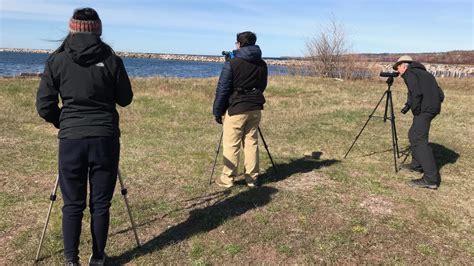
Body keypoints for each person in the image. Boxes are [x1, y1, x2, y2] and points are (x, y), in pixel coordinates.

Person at [36, 8, 133, 265]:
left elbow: (44, 106)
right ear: (98, 30)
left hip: (72, 140)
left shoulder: (56, 60)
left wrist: (64, 122)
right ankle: (98, 258)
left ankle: (71, 260)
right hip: (104, 138)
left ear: (72, 29)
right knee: (100, 203)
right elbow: (125, 99)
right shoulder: (112, 60)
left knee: (72, 204)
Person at [212, 31, 268, 188]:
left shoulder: (232, 63)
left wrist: (218, 111)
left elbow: (222, 89)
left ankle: (227, 178)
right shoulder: (262, 63)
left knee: (232, 144)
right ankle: (252, 178)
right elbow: (263, 85)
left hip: (237, 108)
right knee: (251, 143)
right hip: (255, 107)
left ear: (239, 44)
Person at [394, 55, 444, 189]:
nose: (397, 71)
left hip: (425, 109)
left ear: (404, 66)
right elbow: (440, 94)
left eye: (398, 67)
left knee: (419, 139)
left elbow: (416, 93)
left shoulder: (410, 73)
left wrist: (416, 110)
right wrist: (408, 106)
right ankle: (416, 166)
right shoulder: (423, 73)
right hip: (431, 108)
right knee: (413, 134)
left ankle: (431, 179)